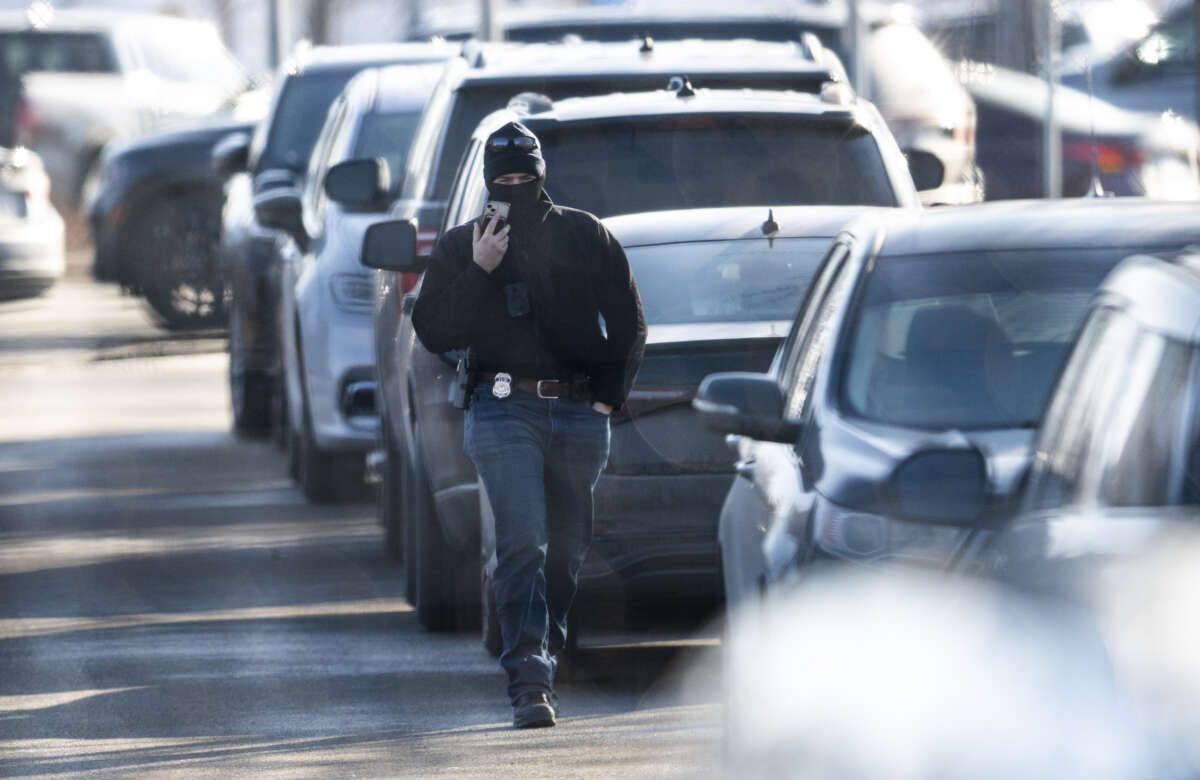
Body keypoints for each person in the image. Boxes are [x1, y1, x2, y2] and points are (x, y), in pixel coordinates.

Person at [412, 121, 646, 729]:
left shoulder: (583, 233)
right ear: (489, 182)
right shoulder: (465, 245)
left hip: (577, 412)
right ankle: (529, 680)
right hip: (501, 409)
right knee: (521, 544)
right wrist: (481, 268)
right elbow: (434, 331)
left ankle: (544, 640)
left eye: (525, 176)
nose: (515, 187)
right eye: (504, 179)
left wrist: (606, 399)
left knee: (565, 553)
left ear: (542, 174)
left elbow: (628, 320)